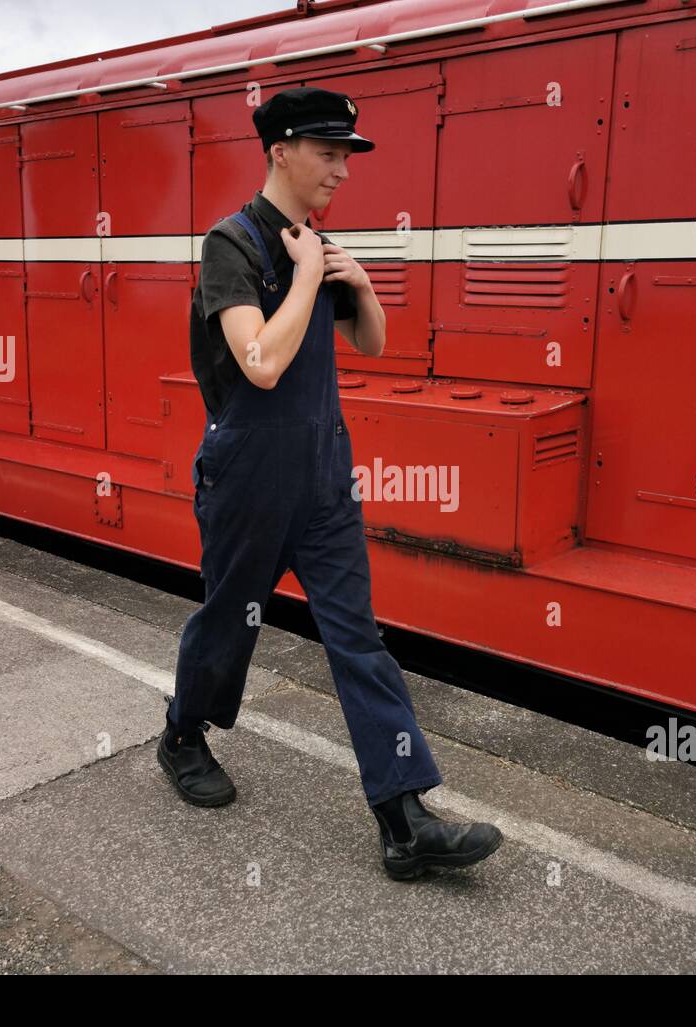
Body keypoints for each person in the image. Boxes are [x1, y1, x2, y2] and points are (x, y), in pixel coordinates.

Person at [160, 86, 502, 880]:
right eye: (329, 151)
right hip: (247, 477)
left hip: (322, 479)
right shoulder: (231, 245)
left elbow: (374, 345)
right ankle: (181, 732)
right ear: (279, 151)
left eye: (347, 153)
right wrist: (309, 274)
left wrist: (363, 284)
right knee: (227, 623)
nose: (343, 169)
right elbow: (262, 363)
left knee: (359, 637)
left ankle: (405, 817)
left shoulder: (318, 243)